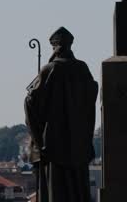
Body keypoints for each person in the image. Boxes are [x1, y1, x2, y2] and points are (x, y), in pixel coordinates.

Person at [24, 27, 99, 202]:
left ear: (55, 47)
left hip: (54, 143)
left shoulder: (48, 69)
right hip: (79, 142)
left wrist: (38, 136)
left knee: (55, 190)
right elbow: (92, 93)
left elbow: (30, 103)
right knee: (77, 187)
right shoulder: (82, 68)